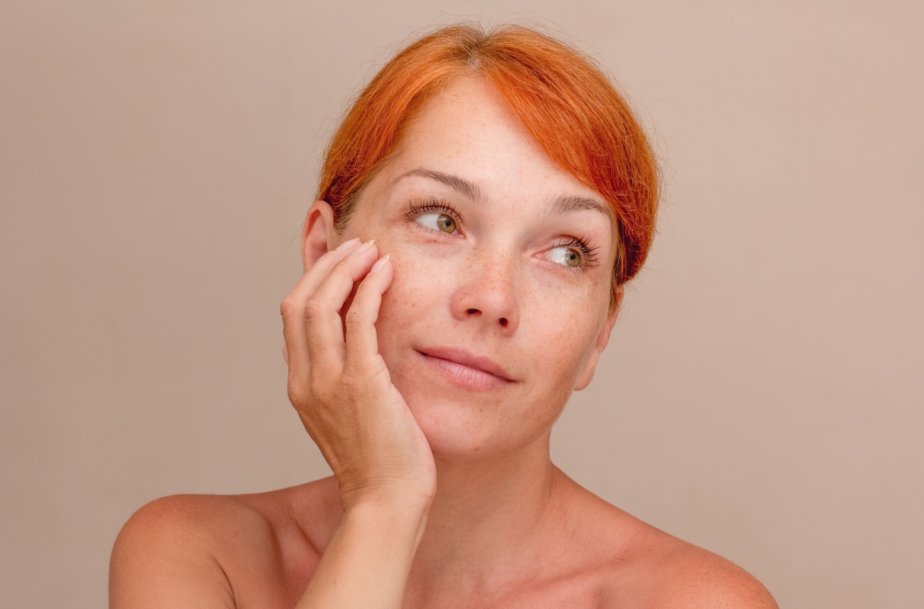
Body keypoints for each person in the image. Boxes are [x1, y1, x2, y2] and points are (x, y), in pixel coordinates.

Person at [109, 23, 777, 609]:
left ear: (601, 331)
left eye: (566, 252)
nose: (493, 297)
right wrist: (384, 504)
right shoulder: (198, 556)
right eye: (440, 219)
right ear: (323, 252)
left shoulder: (694, 602)